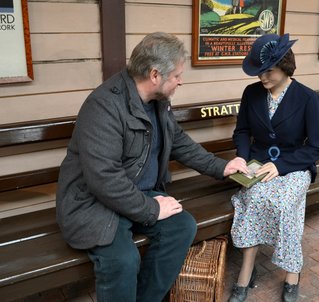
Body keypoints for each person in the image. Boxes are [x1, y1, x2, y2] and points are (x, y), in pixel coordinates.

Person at [56, 32, 248, 302]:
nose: (181, 81)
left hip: (136, 194)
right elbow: (103, 179)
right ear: (155, 74)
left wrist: (221, 166)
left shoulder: (158, 103)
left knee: (182, 227)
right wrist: (152, 209)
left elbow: (179, 142)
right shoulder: (104, 106)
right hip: (94, 203)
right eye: (177, 75)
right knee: (123, 260)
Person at [228, 33, 319, 302]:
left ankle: (292, 273)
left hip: (294, 166)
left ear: (285, 66)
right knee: (253, 197)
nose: (262, 78)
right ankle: (245, 274)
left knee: (285, 205)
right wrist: (243, 161)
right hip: (258, 165)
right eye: (259, 72)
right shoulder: (252, 93)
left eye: (268, 71)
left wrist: (281, 165)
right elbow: (243, 131)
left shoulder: (308, 98)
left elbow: (317, 147)